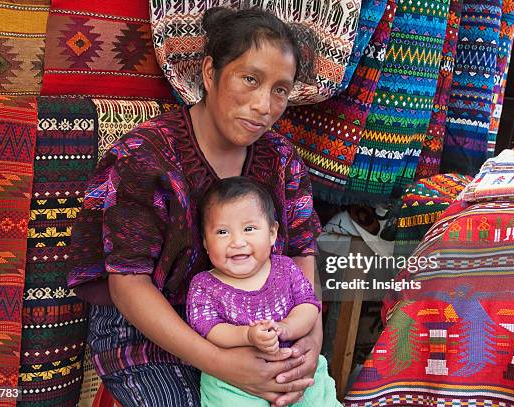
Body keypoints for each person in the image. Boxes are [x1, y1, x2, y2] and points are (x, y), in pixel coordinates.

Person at [67, 6, 324, 407]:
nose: (264, 105)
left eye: (280, 89)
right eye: (250, 79)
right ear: (209, 73)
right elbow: (128, 284)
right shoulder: (145, 157)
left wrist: (310, 338)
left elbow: (301, 251)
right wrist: (225, 364)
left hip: (258, 324)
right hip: (149, 336)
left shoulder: (281, 157)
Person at [187, 177, 340, 406]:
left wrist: (287, 327)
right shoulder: (204, 285)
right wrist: (247, 336)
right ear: (206, 243)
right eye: (222, 232)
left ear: (272, 233)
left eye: (249, 229)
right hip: (233, 382)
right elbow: (210, 329)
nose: (237, 242)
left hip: (294, 368)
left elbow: (308, 306)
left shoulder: (286, 268)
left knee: (318, 395)